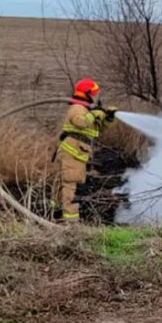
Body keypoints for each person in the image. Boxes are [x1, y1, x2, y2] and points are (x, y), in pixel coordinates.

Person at [52, 78, 115, 222]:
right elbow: (80, 122)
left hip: (75, 152)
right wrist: (94, 114)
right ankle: (71, 221)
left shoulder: (86, 110)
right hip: (72, 152)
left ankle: (55, 211)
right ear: (88, 93)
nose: (97, 96)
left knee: (65, 182)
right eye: (95, 93)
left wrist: (108, 119)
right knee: (71, 184)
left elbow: (98, 130)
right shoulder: (78, 108)